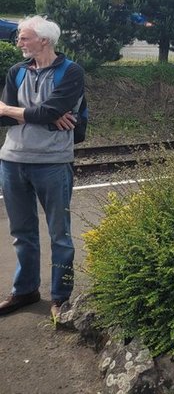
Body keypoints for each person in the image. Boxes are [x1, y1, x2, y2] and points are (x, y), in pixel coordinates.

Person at [0, 16, 84, 320]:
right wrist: (42, 115)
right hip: (12, 161)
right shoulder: (16, 71)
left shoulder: (70, 72)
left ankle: (61, 298)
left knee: (59, 234)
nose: (19, 42)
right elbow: (5, 117)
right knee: (22, 232)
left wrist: (20, 111)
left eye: (24, 37)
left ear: (44, 41)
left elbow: (50, 109)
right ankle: (25, 290)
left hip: (52, 163)